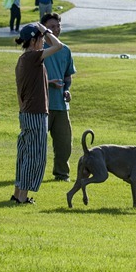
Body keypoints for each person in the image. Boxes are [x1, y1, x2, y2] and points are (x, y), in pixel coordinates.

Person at [11, 22, 69, 204]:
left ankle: (17, 193)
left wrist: (48, 82)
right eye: (41, 38)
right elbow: (58, 46)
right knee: (35, 156)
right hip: (36, 113)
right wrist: (46, 30)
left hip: (26, 113)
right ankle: (22, 197)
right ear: (34, 40)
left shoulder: (23, 60)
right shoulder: (33, 56)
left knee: (24, 154)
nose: (44, 41)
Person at [41, 11, 77, 182]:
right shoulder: (38, 49)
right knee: (38, 144)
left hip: (61, 105)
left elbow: (67, 76)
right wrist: (49, 83)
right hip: (42, 104)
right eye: (51, 27)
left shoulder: (65, 50)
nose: (56, 29)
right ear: (44, 30)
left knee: (64, 144)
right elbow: (30, 76)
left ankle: (62, 175)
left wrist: (66, 90)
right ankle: (34, 174)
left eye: (58, 26)